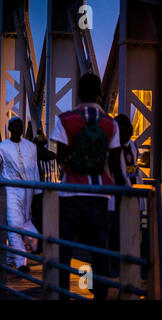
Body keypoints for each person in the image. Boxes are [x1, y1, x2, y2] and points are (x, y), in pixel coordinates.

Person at [50, 72, 125, 300]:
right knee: (99, 250)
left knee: (65, 249)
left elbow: (60, 158)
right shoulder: (110, 124)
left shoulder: (65, 120)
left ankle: (64, 294)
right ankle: (99, 294)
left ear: (79, 94)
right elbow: (115, 164)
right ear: (100, 95)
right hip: (100, 195)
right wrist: (121, 198)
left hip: (70, 193)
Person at [0, 117, 40, 273]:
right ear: (10, 129)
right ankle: (12, 261)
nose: (17, 129)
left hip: (25, 192)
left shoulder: (31, 147)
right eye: (15, 127)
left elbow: (34, 171)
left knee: (20, 225)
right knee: (8, 226)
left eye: (20, 127)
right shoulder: (1, 148)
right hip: (6, 192)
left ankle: (18, 257)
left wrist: (37, 192)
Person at [109, 114, 147, 277]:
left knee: (131, 237)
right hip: (115, 201)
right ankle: (114, 273)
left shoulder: (132, 146)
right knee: (115, 238)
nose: (130, 131)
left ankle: (128, 271)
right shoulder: (111, 150)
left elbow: (133, 171)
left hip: (132, 199)